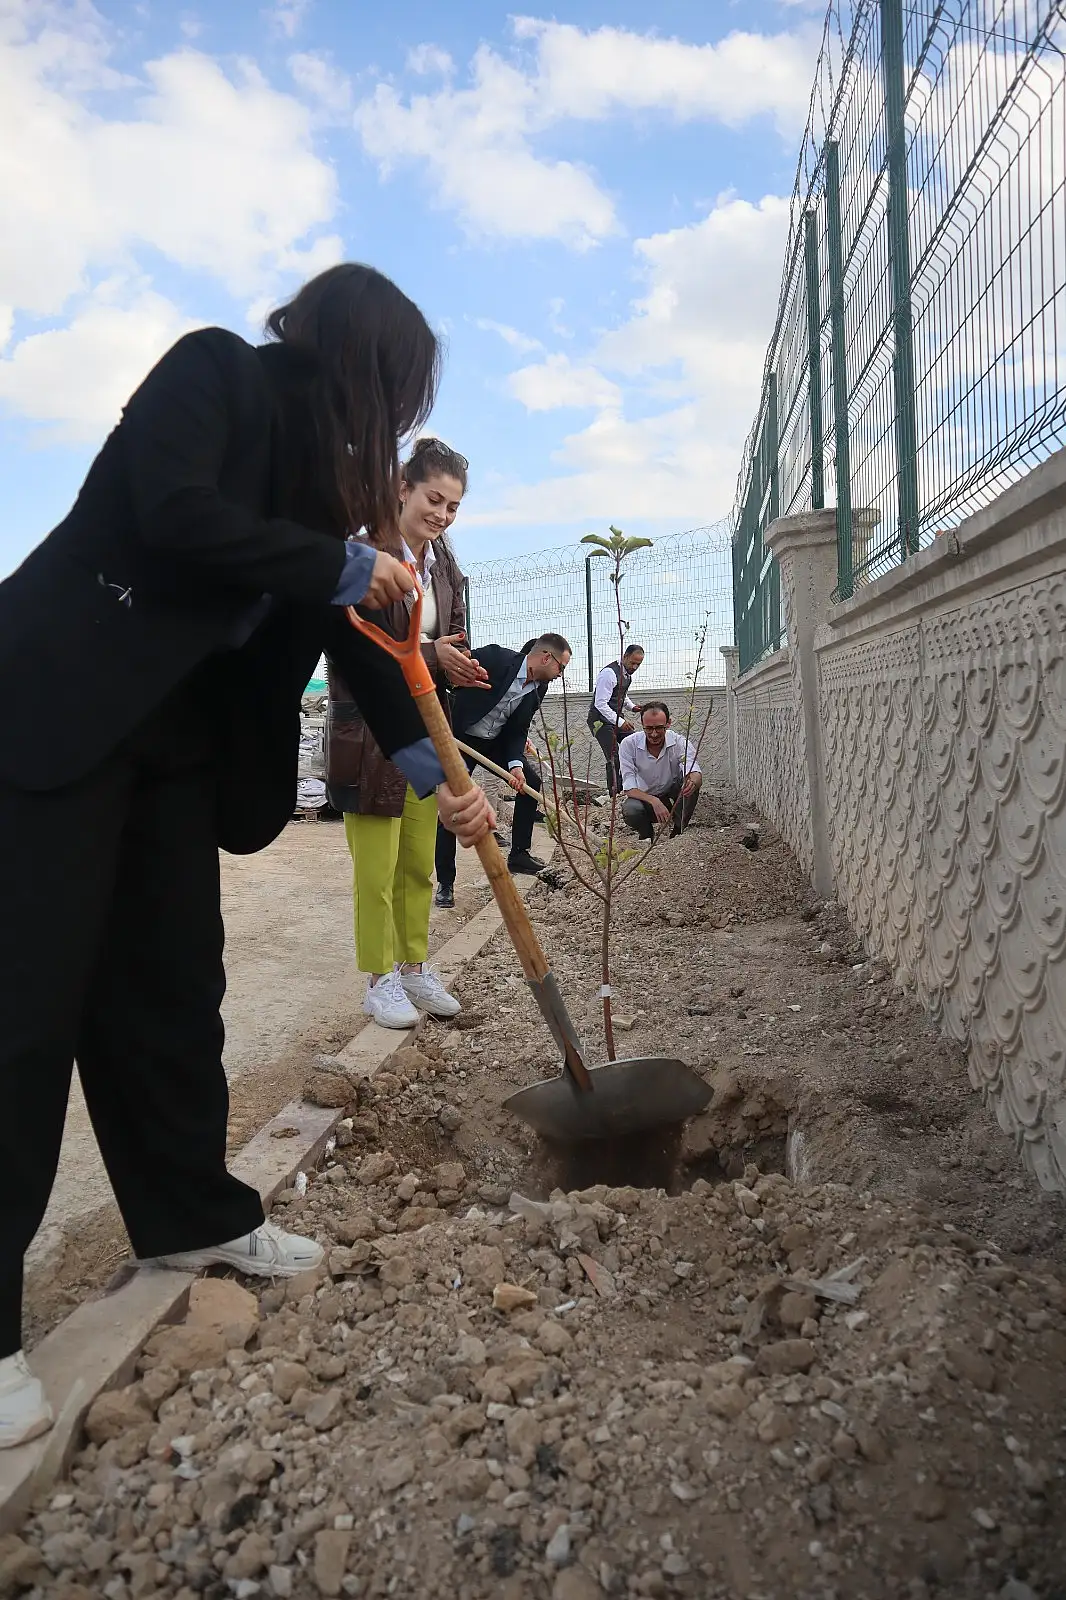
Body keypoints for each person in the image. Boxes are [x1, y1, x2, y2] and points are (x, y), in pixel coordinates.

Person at [0, 263, 495, 1450]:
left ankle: (189, 1213)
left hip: (173, 754)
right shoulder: (214, 373)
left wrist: (438, 774)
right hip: (57, 713)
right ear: (358, 362)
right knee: (24, 1009)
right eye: (395, 392)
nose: (391, 423)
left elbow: (357, 642)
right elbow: (171, 509)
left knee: (171, 993)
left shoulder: (323, 491)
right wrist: (339, 563)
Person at [325, 438, 488, 1027]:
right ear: (403, 489)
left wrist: (454, 662)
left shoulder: (445, 568)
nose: (441, 515)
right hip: (369, 735)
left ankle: (414, 966)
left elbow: (449, 637)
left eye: (453, 507)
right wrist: (430, 653)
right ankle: (379, 979)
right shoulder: (364, 556)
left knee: (419, 861)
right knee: (377, 867)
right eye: (433, 499)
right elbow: (357, 649)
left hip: (427, 731)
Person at [435, 634, 572, 900]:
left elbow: (518, 729)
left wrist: (515, 765)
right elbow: (448, 677)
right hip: (460, 739)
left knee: (530, 783)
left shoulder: (539, 688)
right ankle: (445, 882)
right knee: (453, 804)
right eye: (561, 667)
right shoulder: (495, 658)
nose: (560, 675)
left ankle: (519, 855)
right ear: (547, 658)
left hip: (494, 742)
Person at [619, 701, 702, 840]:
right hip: (645, 796)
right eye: (648, 728)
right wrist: (654, 801)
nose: (654, 734)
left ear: (668, 724)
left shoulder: (679, 742)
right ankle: (646, 835)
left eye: (659, 728)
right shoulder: (628, 744)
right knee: (631, 810)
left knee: (691, 786)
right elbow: (629, 787)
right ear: (642, 725)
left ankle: (678, 830)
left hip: (671, 791)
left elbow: (694, 771)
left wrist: (693, 780)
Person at [587, 643, 645, 795]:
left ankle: (633, 786)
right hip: (599, 721)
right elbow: (600, 703)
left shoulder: (627, 675)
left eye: (638, 664)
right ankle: (615, 794)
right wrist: (621, 722)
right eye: (633, 663)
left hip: (614, 719)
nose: (635, 667)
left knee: (636, 744)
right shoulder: (609, 673)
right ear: (625, 656)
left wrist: (632, 707)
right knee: (614, 756)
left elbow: (621, 694)